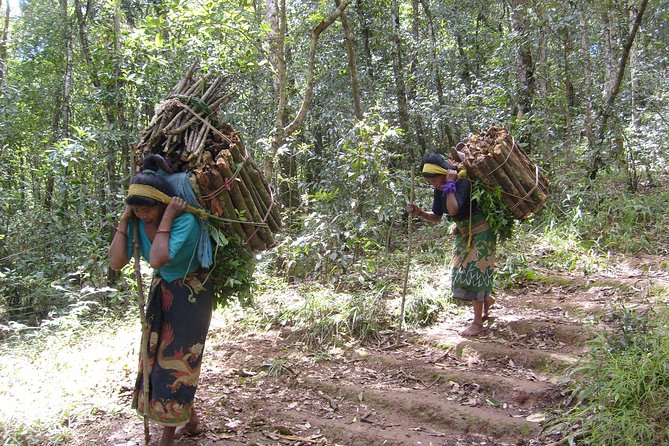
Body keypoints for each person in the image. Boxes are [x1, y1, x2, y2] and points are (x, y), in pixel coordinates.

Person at [109, 156, 213, 446]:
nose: (143, 215)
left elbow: (157, 258)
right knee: (153, 358)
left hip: (190, 296)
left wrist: (166, 218)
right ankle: (190, 423)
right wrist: (124, 221)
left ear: (163, 204)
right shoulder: (137, 220)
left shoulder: (186, 221)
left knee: (178, 362)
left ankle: (167, 436)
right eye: (136, 210)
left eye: (147, 210)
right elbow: (117, 262)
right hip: (161, 292)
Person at [407, 153, 496, 336]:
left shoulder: (463, 183)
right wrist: (420, 213)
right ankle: (486, 301)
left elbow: (454, 208)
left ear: (443, 173)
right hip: (464, 232)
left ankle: (478, 323)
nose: (435, 185)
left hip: (481, 231)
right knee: (459, 273)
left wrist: (449, 184)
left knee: (475, 274)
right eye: (431, 183)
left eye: (436, 181)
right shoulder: (440, 189)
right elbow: (438, 217)